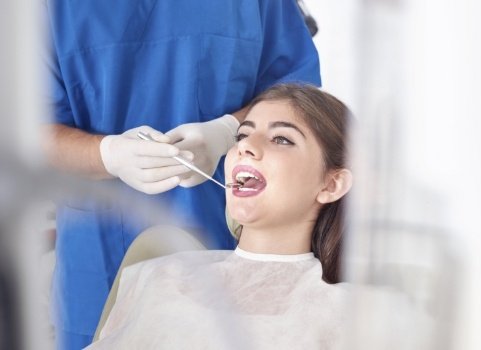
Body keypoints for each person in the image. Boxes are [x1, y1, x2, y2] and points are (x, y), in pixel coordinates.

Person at [42, 1, 321, 348]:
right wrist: (107, 154)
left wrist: (228, 129)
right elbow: (25, 131)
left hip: (231, 243)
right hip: (99, 256)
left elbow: (301, 97)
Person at [85, 84, 353, 349]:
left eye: (281, 139)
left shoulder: (351, 315)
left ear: (332, 185)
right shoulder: (158, 277)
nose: (245, 147)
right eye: (241, 136)